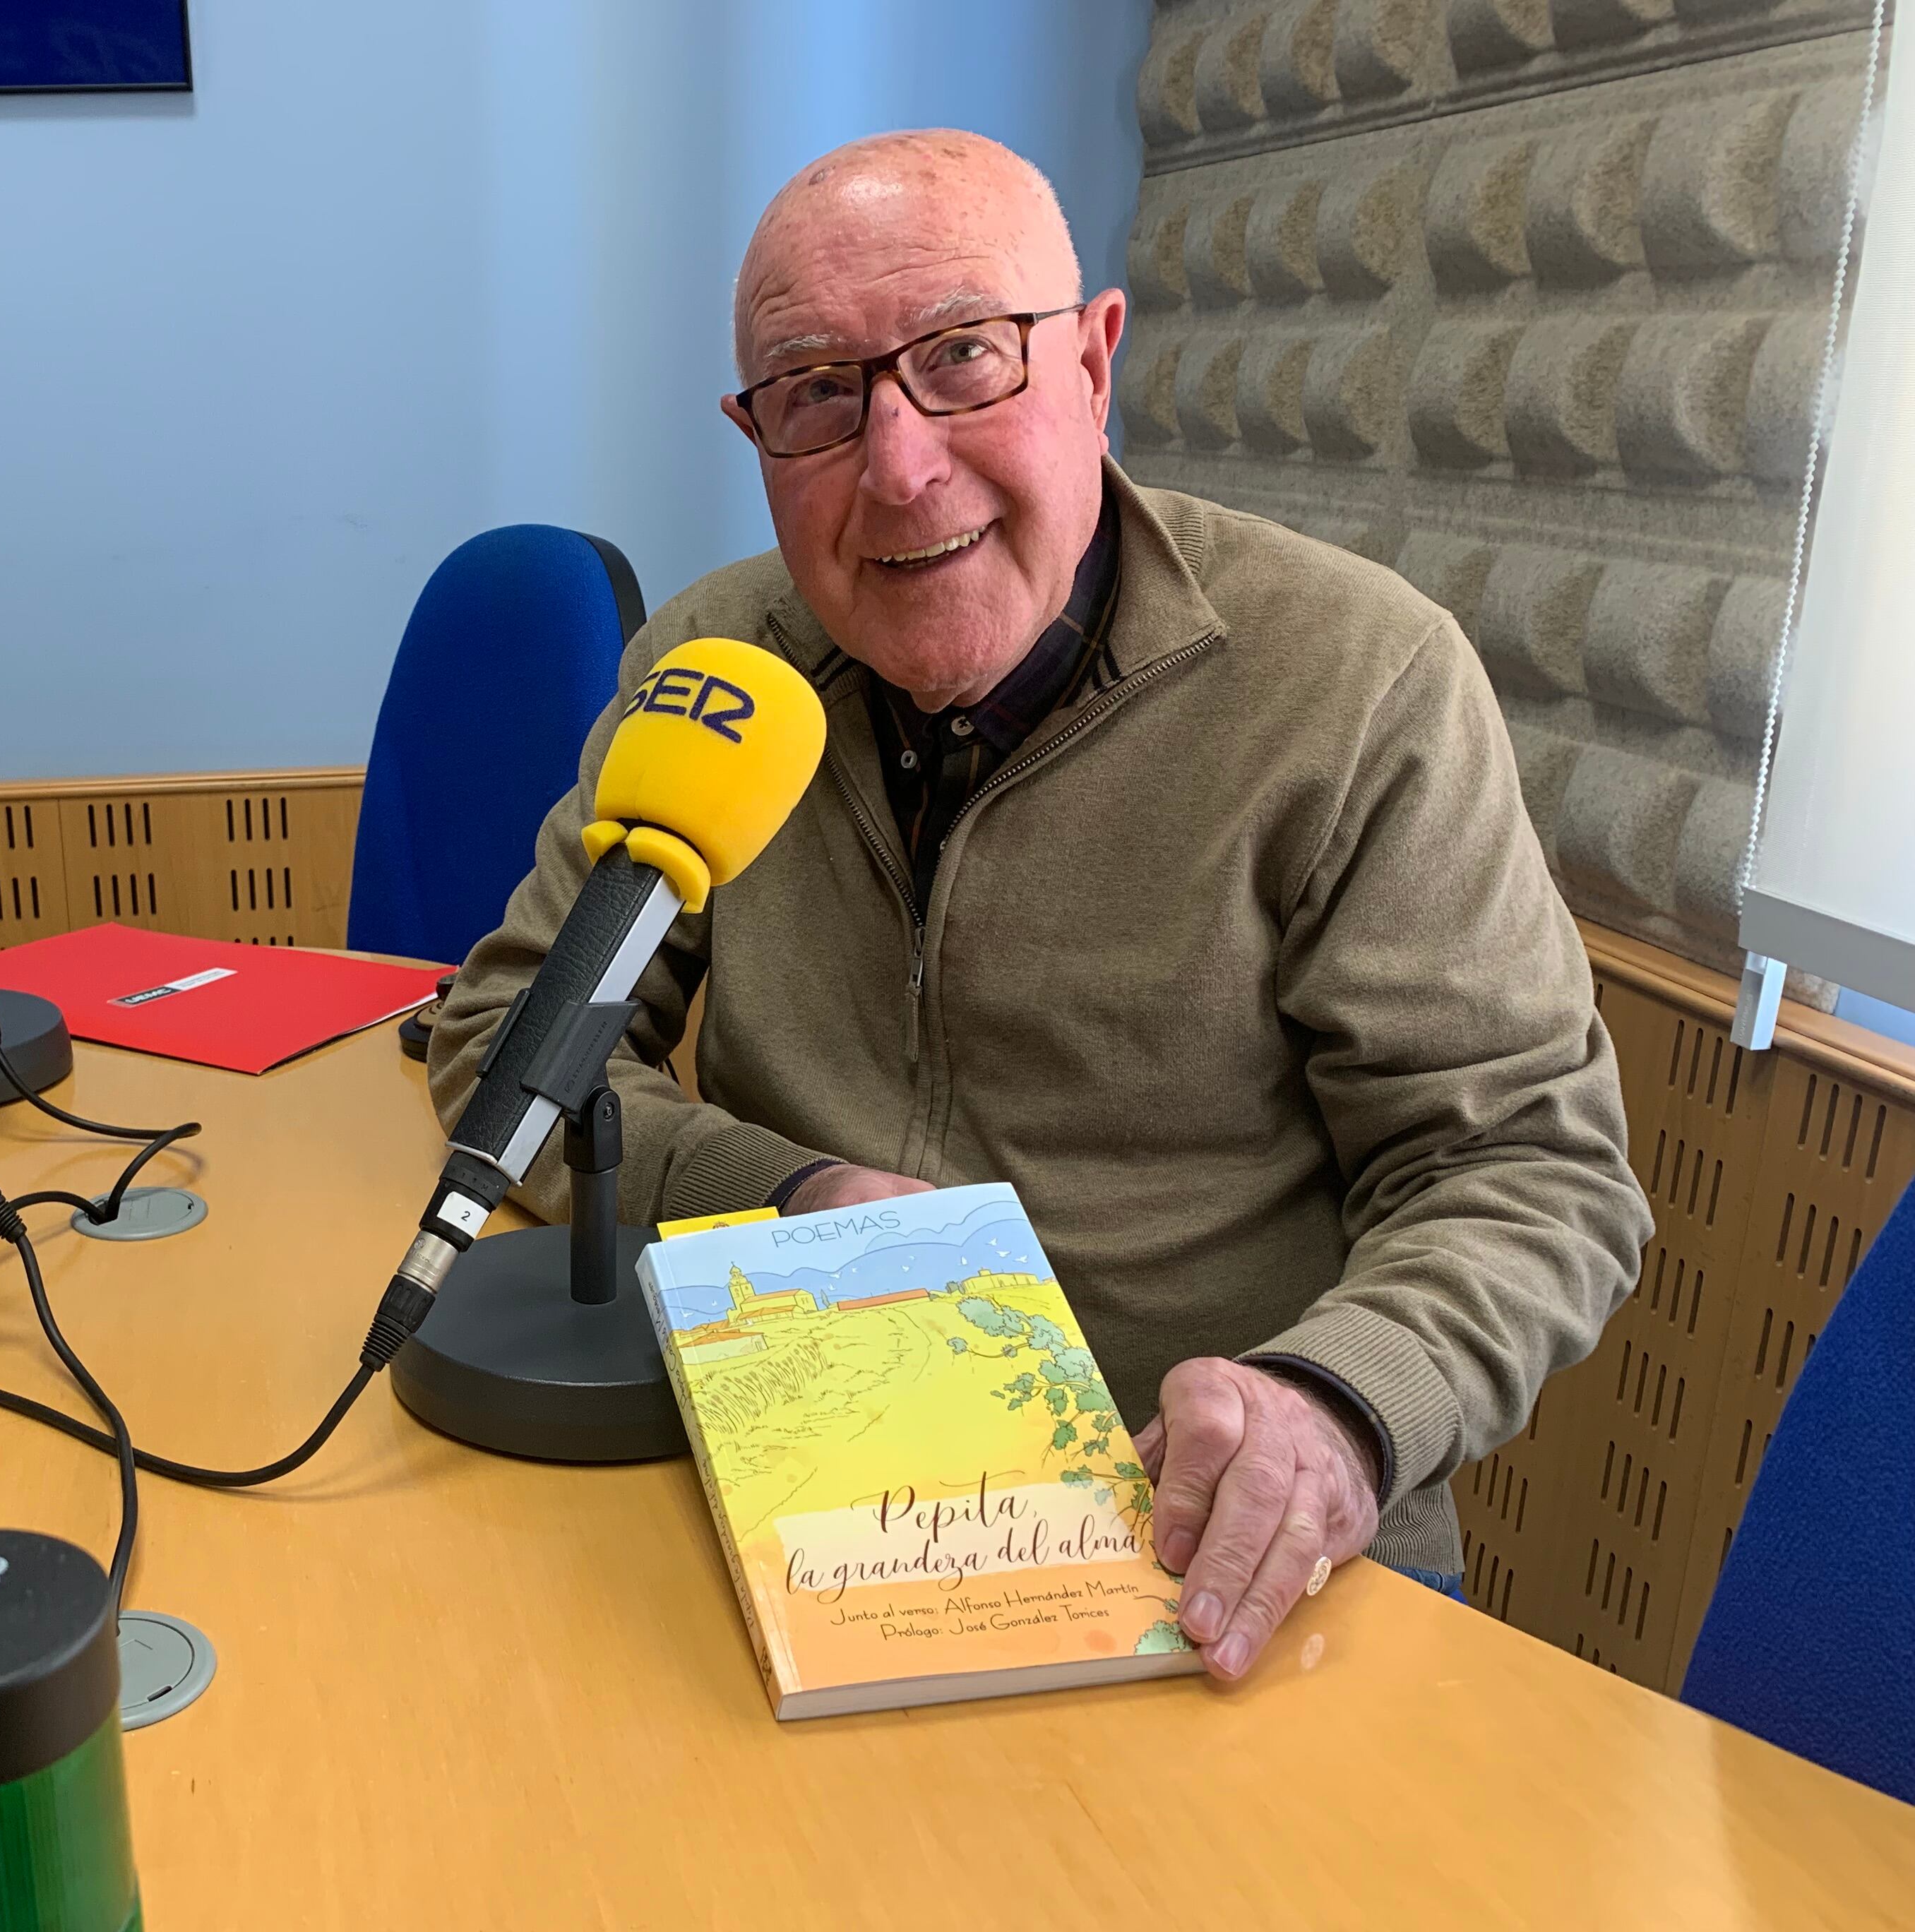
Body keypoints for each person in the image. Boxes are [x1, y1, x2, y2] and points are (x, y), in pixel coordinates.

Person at [429, 131, 1649, 1680]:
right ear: (754, 433)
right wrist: (783, 1195)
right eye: (814, 391)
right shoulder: (717, 663)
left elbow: (1531, 1171)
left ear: (1094, 359)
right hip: (800, 1491)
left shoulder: (1361, 687)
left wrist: (1337, 1407)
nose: (900, 463)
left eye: (962, 357)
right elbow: (506, 1044)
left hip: (1208, 1557)